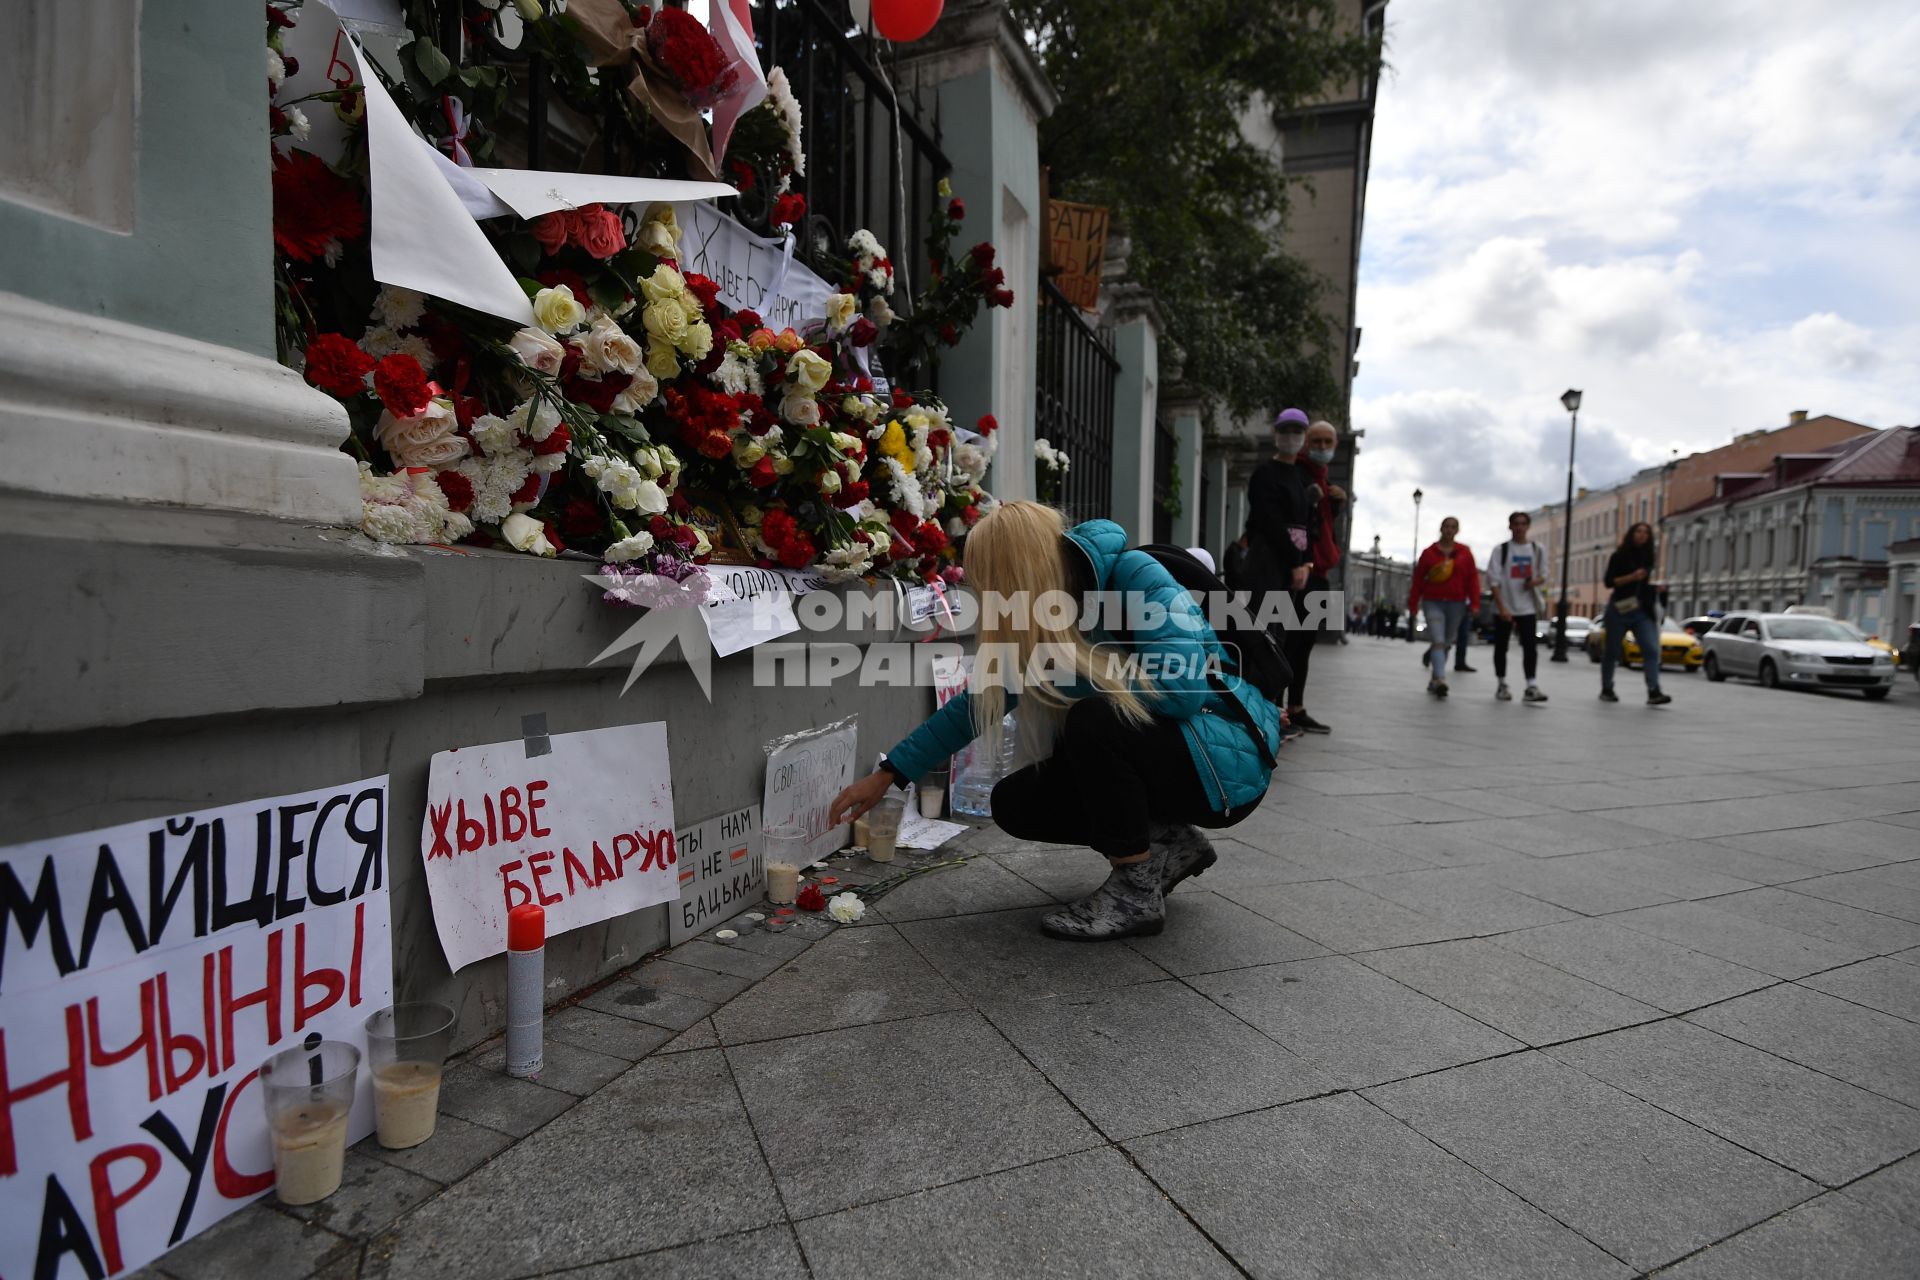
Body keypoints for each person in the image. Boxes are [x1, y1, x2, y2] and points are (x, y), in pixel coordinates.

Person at [828, 501, 1284, 942]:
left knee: (1093, 721)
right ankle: (1171, 843)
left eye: (988, 580)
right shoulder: (1045, 623)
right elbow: (974, 706)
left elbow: (1184, 693)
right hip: (1178, 754)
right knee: (1017, 802)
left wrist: (1082, 673)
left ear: (1016, 573)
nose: (982, 592)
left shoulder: (1132, 575)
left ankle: (1134, 893)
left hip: (1224, 763)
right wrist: (891, 774)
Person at [1243, 409, 1315, 739]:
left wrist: (1305, 563)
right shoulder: (1265, 474)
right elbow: (1270, 523)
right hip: (1269, 565)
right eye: (1286, 430)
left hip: (1289, 568)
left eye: (1298, 430)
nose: (1291, 436)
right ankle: (1260, 715)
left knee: (1282, 638)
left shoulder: (1299, 476)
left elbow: (1306, 524)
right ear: (1276, 433)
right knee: (1265, 636)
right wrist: (1296, 562)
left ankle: (1276, 714)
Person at [1601, 521, 1673, 706]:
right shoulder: (1619, 556)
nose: (1642, 535)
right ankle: (1607, 688)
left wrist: (1656, 589)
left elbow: (1642, 584)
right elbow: (1609, 582)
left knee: (1651, 648)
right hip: (1620, 609)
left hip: (1642, 609)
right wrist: (1632, 577)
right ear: (1631, 534)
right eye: (1639, 531)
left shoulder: (1648, 557)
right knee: (1613, 650)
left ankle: (1654, 690)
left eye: (1646, 533)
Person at [1407, 516, 1479, 698]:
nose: (1449, 530)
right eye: (1446, 526)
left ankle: (1434, 680)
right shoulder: (1429, 553)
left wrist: (1475, 602)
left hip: (1457, 603)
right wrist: (1413, 604)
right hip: (1433, 601)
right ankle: (1440, 678)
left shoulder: (1464, 553)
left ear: (1457, 530)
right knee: (1438, 639)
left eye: (1453, 527)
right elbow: (1418, 580)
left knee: (1446, 642)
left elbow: (1472, 579)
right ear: (1441, 528)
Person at [1485, 511, 1550, 702]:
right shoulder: (1501, 550)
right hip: (1504, 606)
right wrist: (1502, 607)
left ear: (1528, 526)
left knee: (1530, 647)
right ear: (1510, 526)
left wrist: (1534, 582)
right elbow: (1493, 581)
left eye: (1523, 524)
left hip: (1527, 607)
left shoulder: (1537, 549)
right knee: (1501, 647)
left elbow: (1544, 574)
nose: (1519, 527)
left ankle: (1531, 684)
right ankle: (1501, 683)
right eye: (1516, 524)